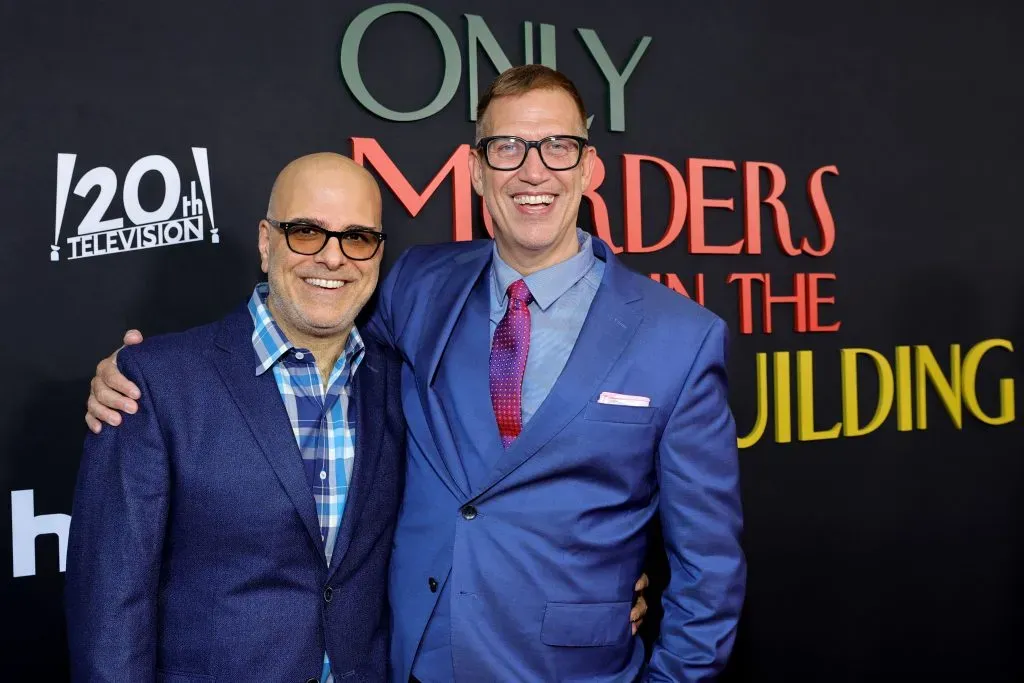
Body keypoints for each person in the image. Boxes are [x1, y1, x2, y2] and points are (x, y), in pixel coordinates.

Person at [88, 65, 743, 682]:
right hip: (409, 660)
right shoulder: (419, 282)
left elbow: (708, 568)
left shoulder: (679, 337)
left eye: (557, 146)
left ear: (590, 167)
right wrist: (142, 370)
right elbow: (310, 335)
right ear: (476, 171)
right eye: (508, 148)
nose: (532, 170)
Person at [67, 153, 405, 682]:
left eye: (357, 237)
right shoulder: (153, 383)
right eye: (306, 232)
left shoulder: (397, 379)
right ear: (267, 242)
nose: (334, 258)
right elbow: (111, 601)